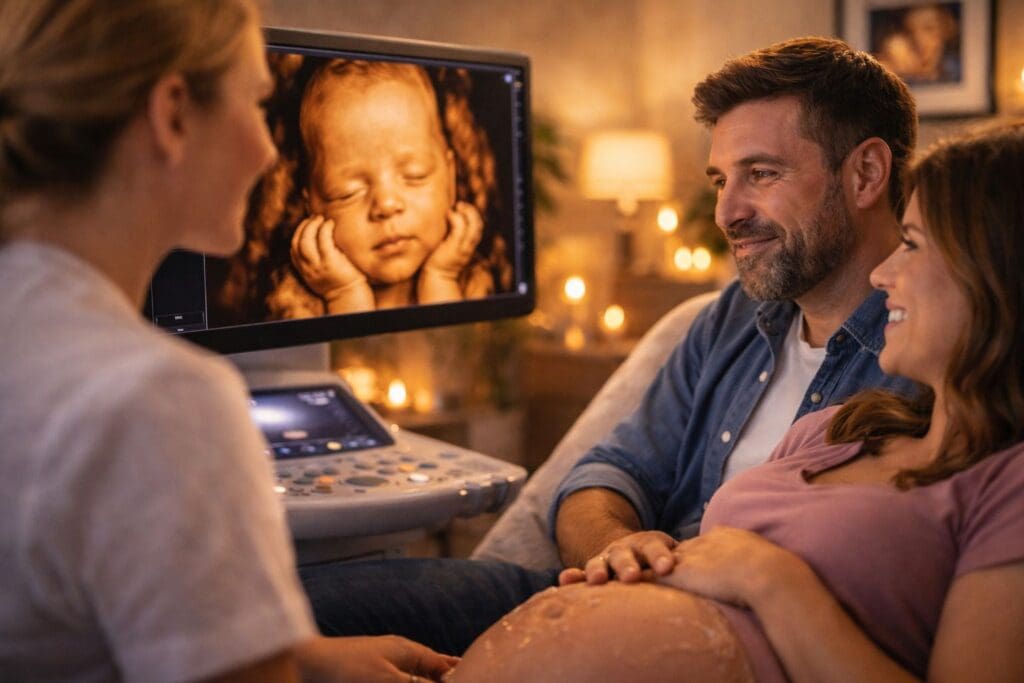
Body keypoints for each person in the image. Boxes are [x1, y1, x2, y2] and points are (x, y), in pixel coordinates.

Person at [297, 36, 919, 655]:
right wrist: (614, 549)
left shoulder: (940, 351)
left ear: (865, 173)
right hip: (592, 594)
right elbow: (606, 475)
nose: (727, 211)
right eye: (720, 180)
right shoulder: (731, 317)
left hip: (717, 647)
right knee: (289, 613)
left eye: (761, 174)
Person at [451, 119, 1024, 683]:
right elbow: (613, 469)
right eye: (721, 180)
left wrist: (769, 580)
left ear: (999, 275)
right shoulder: (841, 429)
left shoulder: (1005, 485)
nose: (885, 274)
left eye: (913, 245)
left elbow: (751, 578)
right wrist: (626, 558)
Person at [0, 2, 455, 681]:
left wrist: (304, 658)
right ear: (174, 113)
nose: (268, 150)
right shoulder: (162, 399)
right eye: (255, 102)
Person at [232, 58, 512, 321]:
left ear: (450, 179)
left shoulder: (473, 282)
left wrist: (441, 277)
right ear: (312, 208)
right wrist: (343, 293)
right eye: (347, 192)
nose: (386, 205)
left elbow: (454, 352)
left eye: (415, 176)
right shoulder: (296, 301)